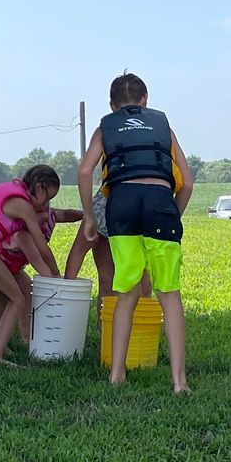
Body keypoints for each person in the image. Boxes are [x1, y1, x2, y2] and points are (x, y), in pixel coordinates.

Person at [76, 73, 194, 392]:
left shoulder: (105, 128)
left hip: (123, 205)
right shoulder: (163, 128)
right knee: (168, 294)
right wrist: (173, 215)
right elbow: (188, 182)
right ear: (145, 100)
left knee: (126, 293)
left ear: (112, 105)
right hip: (160, 205)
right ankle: (179, 381)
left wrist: (89, 216)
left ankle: (117, 374)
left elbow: (85, 171)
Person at [0, 164, 77, 364]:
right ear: (39, 187)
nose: (47, 205)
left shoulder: (20, 198)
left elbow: (64, 215)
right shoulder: (22, 205)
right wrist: (55, 275)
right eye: (48, 197)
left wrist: (86, 215)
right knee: (17, 299)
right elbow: (41, 249)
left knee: (4, 296)